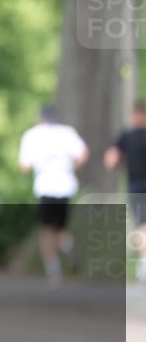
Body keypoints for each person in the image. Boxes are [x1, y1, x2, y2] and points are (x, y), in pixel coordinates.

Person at [18, 105, 89, 287]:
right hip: (66, 186)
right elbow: (83, 154)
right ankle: (69, 249)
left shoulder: (32, 135)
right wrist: (72, 169)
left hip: (46, 187)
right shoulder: (67, 133)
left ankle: (54, 272)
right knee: (60, 228)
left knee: (46, 230)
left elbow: (24, 166)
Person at [104, 99, 146, 283]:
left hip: (136, 187)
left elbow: (110, 160)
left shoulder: (127, 136)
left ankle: (143, 266)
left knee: (142, 226)